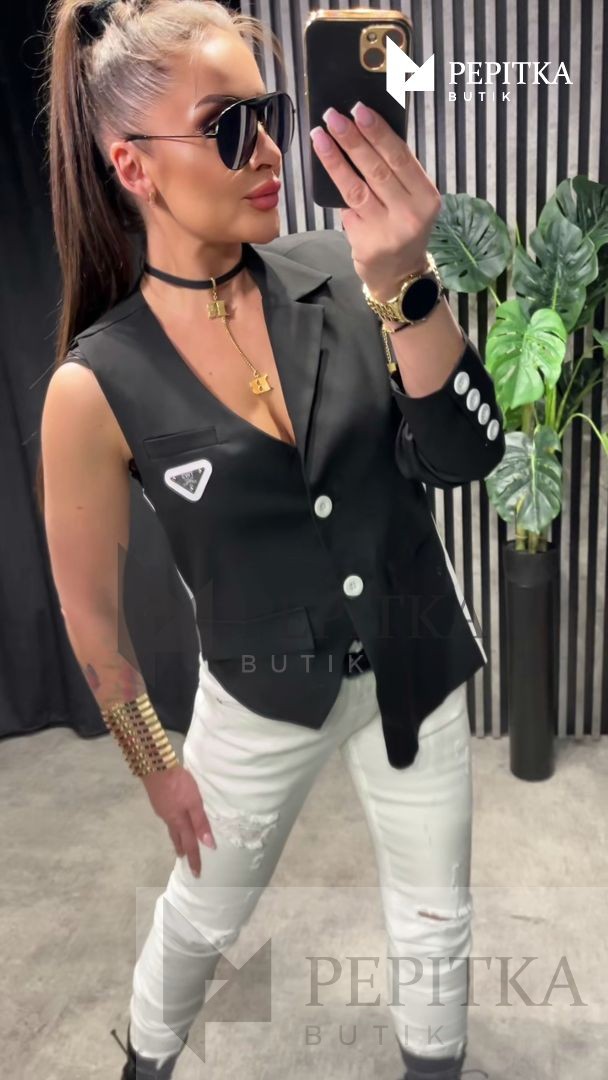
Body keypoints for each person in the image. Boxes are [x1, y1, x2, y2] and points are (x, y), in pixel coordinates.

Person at [39, 2, 505, 1078]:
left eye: (272, 114)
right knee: (202, 917)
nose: (269, 152)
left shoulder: (347, 268)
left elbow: (463, 456)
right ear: (133, 166)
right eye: (227, 124)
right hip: (256, 702)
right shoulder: (97, 384)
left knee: (436, 921)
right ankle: (144, 1063)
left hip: (416, 665)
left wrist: (405, 281)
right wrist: (156, 766)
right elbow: (93, 622)